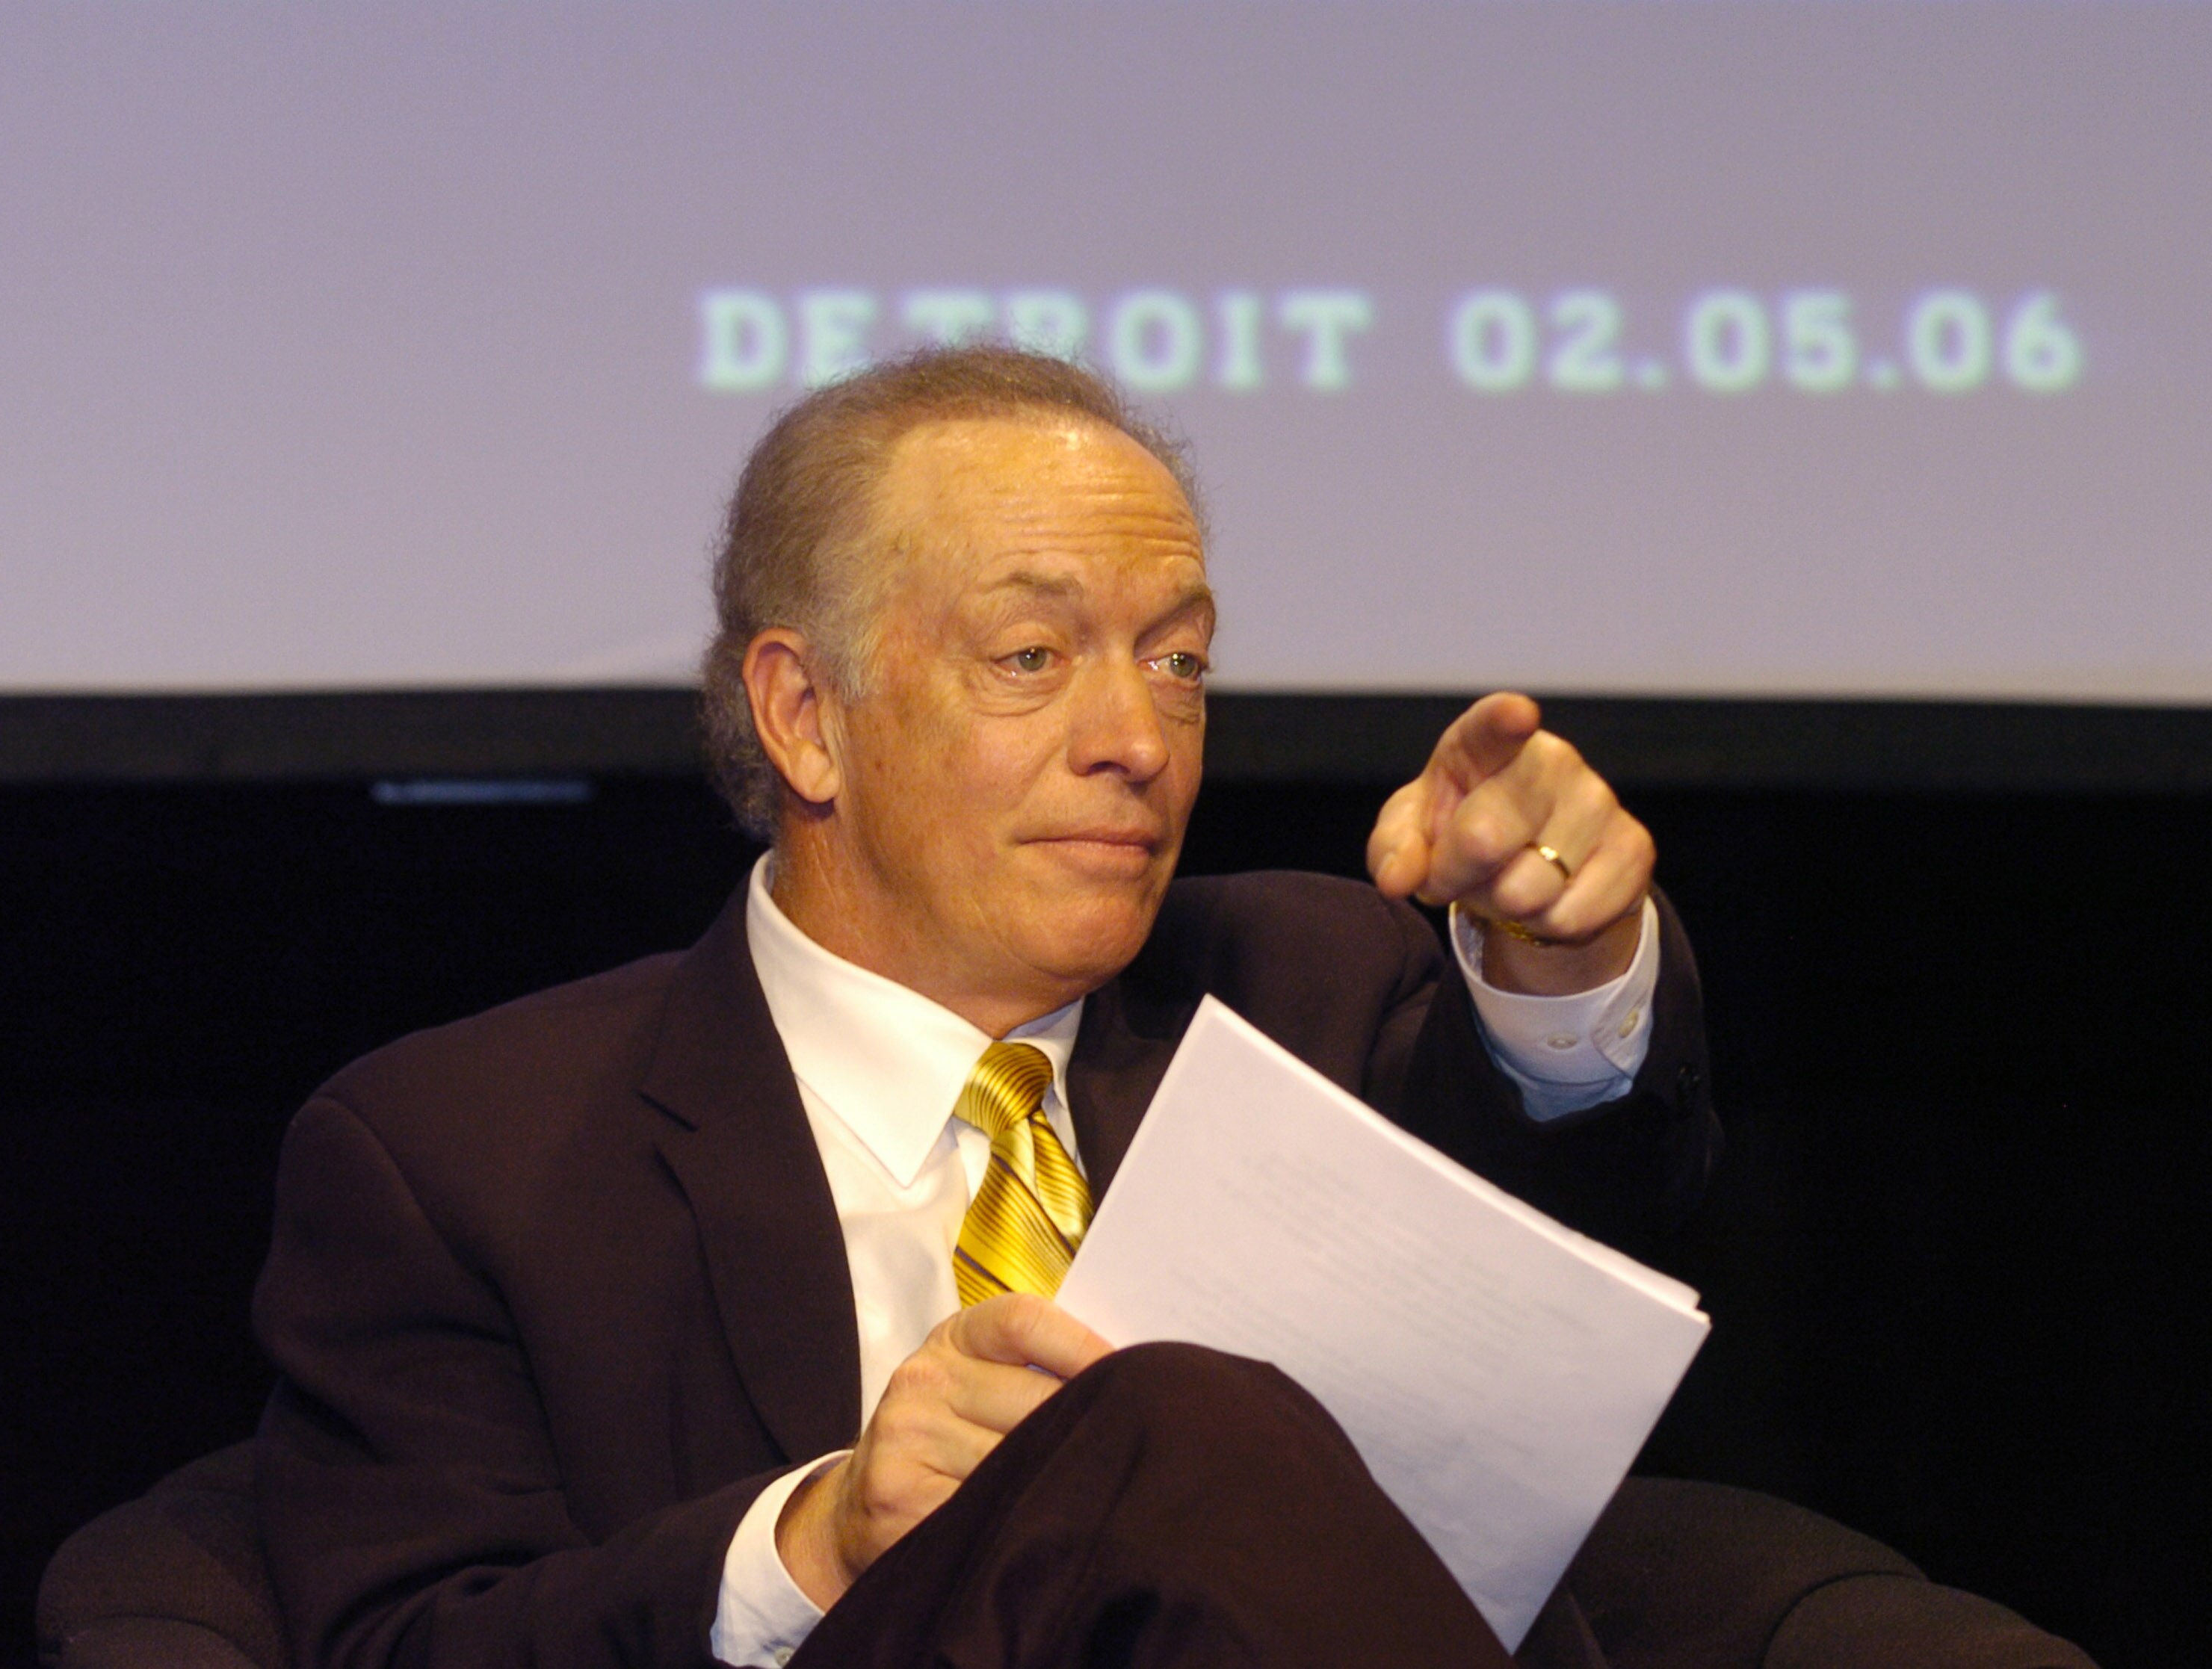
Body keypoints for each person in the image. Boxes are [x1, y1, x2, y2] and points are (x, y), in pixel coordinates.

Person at [250, 347, 2086, 1669]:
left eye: (1181, 659)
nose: (1137, 740)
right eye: (1035, 658)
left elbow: (1600, 1202)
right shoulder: (458, 1152)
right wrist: (820, 1534)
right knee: (1159, 1422)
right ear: (806, 716)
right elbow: (408, 1636)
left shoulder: (1315, 984)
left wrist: (1557, 955)